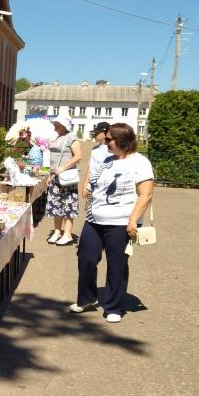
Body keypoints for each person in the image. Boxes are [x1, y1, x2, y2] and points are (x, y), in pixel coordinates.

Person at [70, 123, 154, 323]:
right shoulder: (107, 160)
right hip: (94, 219)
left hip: (121, 222)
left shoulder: (141, 163)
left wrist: (133, 220)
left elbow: (146, 195)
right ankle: (87, 298)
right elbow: (95, 186)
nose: (105, 142)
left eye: (109, 139)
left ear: (122, 141)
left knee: (117, 264)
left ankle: (113, 306)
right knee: (86, 258)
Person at [45, 113, 82, 246]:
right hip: (56, 177)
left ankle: (67, 234)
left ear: (63, 125)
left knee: (68, 205)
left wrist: (62, 168)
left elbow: (78, 156)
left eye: (57, 124)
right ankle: (57, 232)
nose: (54, 126)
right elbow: (54, 159)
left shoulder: (71, 137)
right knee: (56, 204)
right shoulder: (58, 137)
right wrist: (50, 175)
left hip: (67, 178)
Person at [81, 122, 111, 197]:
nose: (94, 135)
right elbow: (90, 168)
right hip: (92, 187)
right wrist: (85, 185)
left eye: (97, 133)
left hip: (105, 188)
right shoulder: (94, 149)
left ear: (105, 133)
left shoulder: (111, 149)